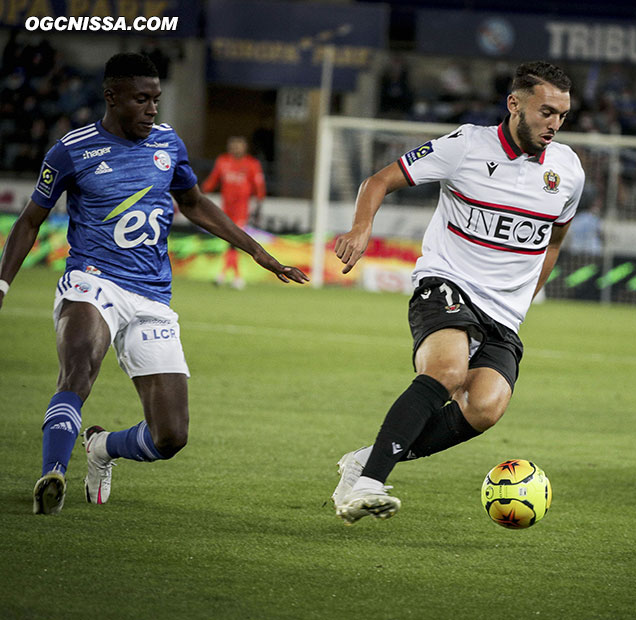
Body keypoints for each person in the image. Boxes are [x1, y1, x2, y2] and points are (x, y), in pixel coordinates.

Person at [0, 53, 308, 515]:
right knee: (78, 368)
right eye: (141, 99)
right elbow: (28, 222)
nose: (152, 109)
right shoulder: (72, 149)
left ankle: (102, 448)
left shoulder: (168, 145)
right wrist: (2, 286)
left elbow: (195, 203)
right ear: (112, 97)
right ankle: (54, 474)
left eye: (156, 99)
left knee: (170, 437)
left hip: (152, 296)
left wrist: (257, 252)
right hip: (92, 280)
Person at [330, 61, 585, 525]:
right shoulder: (466, 145)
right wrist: (362, 227)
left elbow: (555, 239)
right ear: (515, 104)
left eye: (562, 116)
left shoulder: (568, 170)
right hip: (447, 282)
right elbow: (379, 180)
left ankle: (365, 460)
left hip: (504, 311)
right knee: (448, 371)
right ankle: (366, 486)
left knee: (485, 408)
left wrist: (526, 298)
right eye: (546, 111)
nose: (554, 124)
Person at [201, 136, 266, 290]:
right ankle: (234, 277)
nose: (236, 149)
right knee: (231, 242)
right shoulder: (223, 161)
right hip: (226, 209)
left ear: (245, 148)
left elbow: (259, 186)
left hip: (241, 210)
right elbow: (212, 180)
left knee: (233, 242)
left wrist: (259, 205)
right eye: (233, 146)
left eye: (239, 146)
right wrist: (200, 192)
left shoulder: (252, 164)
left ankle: (226, 276)